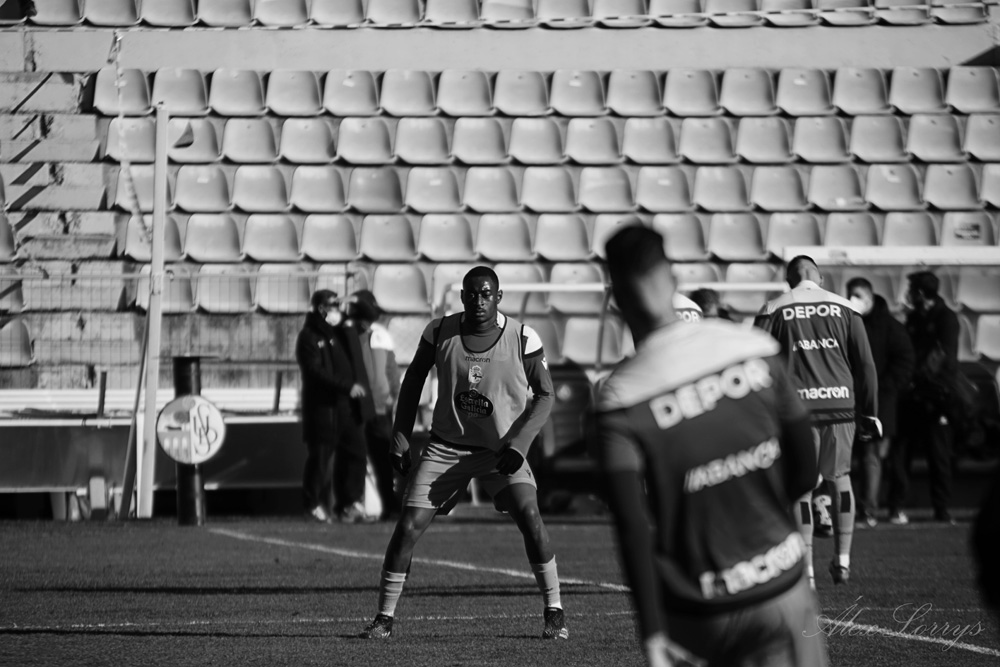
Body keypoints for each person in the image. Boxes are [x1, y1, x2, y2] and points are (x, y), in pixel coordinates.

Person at [597, 225, 826, 667]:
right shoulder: (754, 348)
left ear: (616, 301)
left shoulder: (618, 398)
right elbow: (805, 472)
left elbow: (632, 525)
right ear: (673, 279)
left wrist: (652, 633)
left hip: (701, 609)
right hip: (782, 585)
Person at [360, 266, 566, 640]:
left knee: (530, 515)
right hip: (446, 449)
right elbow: (412, 381)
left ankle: (554, 611)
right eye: (471, 294)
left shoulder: (523, 337)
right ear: (461, 297)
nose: (478, 300)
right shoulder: (439, 331)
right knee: (407, 526)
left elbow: (545, 394)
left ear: (498, 297)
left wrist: (520, 446)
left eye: (486, 294)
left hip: (500, 451)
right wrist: (400, 436)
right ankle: (383, 619)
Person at [754, 256, 879, 587]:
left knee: (803, 487)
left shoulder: (773, 308)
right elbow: (866, 365)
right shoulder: (846, 308)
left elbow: (754, 361)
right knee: (841, 479)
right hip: (841, 406)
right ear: (820, 278)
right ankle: (843, 561)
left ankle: (807, 569)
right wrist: (870, 411)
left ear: (789, 280)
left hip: (796, 412)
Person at [295, 290, 373, 524]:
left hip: (350, 407)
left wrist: (356, 301)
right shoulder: (309, 336)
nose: (337, 310)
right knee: (320, 459)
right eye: (332, 305)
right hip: (325, 408)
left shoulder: (344, 331)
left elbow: (370, 315)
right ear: (321, 308)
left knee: (356, 455)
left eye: (338, 305)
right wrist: (346, 386)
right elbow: (315, 371)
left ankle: (350, 504)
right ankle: (312, 505)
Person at [845, 278, 915, 527]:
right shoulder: (847, 323)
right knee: (853, 459)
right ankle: (853, 509)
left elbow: (905, 361)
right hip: (850, 401)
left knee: (871, 457)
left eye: (857, 295)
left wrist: (882, 387)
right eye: (849, 294)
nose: (852, 299)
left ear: (870, 297)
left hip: (880, 404)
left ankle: (868, 510)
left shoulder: (890, 327)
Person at [898, 271, 962, 525]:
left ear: (921, 293)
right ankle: (896, 505)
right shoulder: (914, 318)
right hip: (913, 394)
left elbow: (943, 355)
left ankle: (941, 508)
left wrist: (917, 377)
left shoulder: (946, 318)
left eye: (912, 290)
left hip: (937, 396)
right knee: (902, 452)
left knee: (938, 455)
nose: (909, 295)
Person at [348, 290, 403, 520]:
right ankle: (353, 504)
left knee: (383, 461)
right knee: (356, 458)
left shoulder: (381, 335)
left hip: (381, 408)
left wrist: (394, 394)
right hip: (357, 408)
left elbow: (391, 368)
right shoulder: (349, 334)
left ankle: (390, 506)